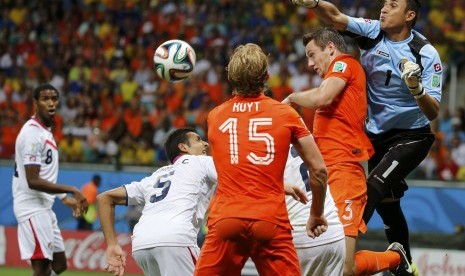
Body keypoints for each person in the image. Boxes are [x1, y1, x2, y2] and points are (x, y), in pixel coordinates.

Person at [291, 1, 443, 275]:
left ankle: (340, 242)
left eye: (393, 5)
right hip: (375, 134)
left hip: (412, 136)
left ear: (409, 15)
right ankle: (402, 262)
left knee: (374, 186)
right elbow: (335, 16)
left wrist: (417, 89)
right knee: (389, 202)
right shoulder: (373, 33)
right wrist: (313, 3)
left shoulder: (425, 53)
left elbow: (433, 111)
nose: (384, 8)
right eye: (384, 4)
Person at [195, 43, 328, 275]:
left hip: (226, 217)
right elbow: (318, 170)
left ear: (231, 76)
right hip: (270, 219)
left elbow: (239, 166)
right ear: (266, 76)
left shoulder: (214, 116)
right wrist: (315, 213)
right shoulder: (286, 114)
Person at [97, 128, 217, 276]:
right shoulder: (202, 161)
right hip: (175, 240)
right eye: (198, 140)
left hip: (142, 244)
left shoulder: (155, 177)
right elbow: (237, 175)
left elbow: (104, 198)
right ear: (183, 147)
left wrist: (112, 244)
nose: (205, 144)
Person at [12, 83, 89, 276]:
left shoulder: (44, 133)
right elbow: (33, 180)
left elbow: (44, 175)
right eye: (45, 99)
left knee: (59, 265)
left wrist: (64, 198)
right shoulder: (31, 134)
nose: (51, 103)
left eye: (54, 98)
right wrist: (73, 189)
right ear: (35, 103)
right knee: (42, 269)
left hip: (44, 207)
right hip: (32, 208)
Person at [285, 145, 346, 276]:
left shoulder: (253, 140)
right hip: (332, 230)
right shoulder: (297, 127)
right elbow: (320, 171)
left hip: (299, 235)